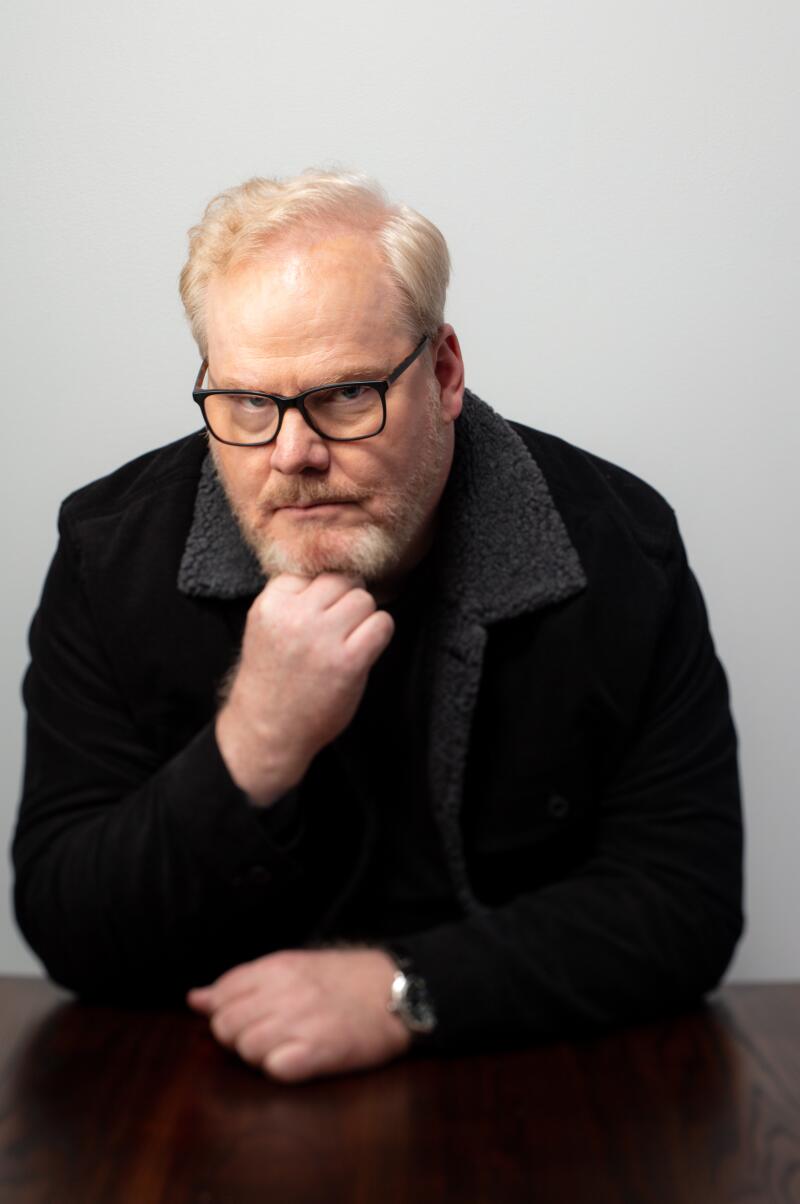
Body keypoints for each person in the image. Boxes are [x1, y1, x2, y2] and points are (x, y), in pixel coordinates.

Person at [12, 169, 744, 1085]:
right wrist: (255, 739)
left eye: (348, 394)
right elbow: (67, 925)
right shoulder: (108, 555)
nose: (294, 454)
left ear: (443, 374)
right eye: (246, 403)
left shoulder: (617, 543)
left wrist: (408, 991)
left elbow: (684, 902)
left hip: (532, 1088)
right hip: (197, 1086)